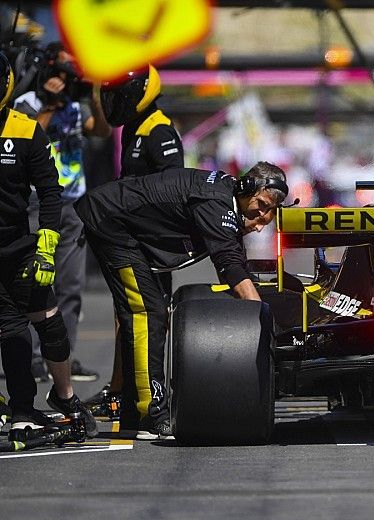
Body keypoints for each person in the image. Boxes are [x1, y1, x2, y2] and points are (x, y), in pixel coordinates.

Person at [74, 162, 288, 439]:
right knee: (148, 314)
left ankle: (133, 416)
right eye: (260, 208)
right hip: (110, 220)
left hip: (118, 220)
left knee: (145, 314)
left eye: (269, 215)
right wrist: (265, 323)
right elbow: (230, 266)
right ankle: (151, 413)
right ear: (246, 188)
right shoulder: (216, 203)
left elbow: (237, 263)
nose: (261, 221)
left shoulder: (228, 198)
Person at [0, 52, 96, 437]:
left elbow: (51, 192)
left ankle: (65, 395)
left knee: (51, 326)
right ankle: (22, 405)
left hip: (22, 245)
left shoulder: (25, 129)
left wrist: (46, 245)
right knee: (11, 330)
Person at [86, 65, 184, 415]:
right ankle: (120, 387)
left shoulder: (159, 130)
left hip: (153, 242)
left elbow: (173, 189)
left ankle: (153, 388)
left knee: (152, 317)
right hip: (130, 238)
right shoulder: (133, 128)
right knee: (124, 314)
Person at [14, 41, 111, 383]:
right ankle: (33, 356)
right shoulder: (25, 106)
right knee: (35, 284)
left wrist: (95, 97)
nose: (62, 82)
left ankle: (63, 356)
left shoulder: (73, 106)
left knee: (71, 284)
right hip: (37, 204)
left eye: (66, 77)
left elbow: (101, 130)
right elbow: (30, 138)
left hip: (72, 203)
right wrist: (50, 104)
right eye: (57, 75)